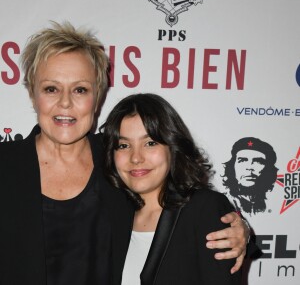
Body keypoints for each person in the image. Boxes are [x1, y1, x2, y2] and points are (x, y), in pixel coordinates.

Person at [0, 21, 247, 285]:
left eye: (80, 89)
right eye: (51, 88)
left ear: (98, 96)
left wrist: (238, 229)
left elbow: (183, 206)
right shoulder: (6, 165)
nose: (65, 102)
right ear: (31, 93)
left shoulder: (118, 158)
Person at [101, 93, 242, 284]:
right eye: (124, 145)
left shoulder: (204, 208)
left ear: (172, 147)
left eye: (150, 143)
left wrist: (246, 233)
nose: (136, 157)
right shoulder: (113, 211)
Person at [222, 137, 278, 215]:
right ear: (232, 166)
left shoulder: (275, 201)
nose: (249, 167)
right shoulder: (222, 202)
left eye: (258, 161)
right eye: (242, 160)